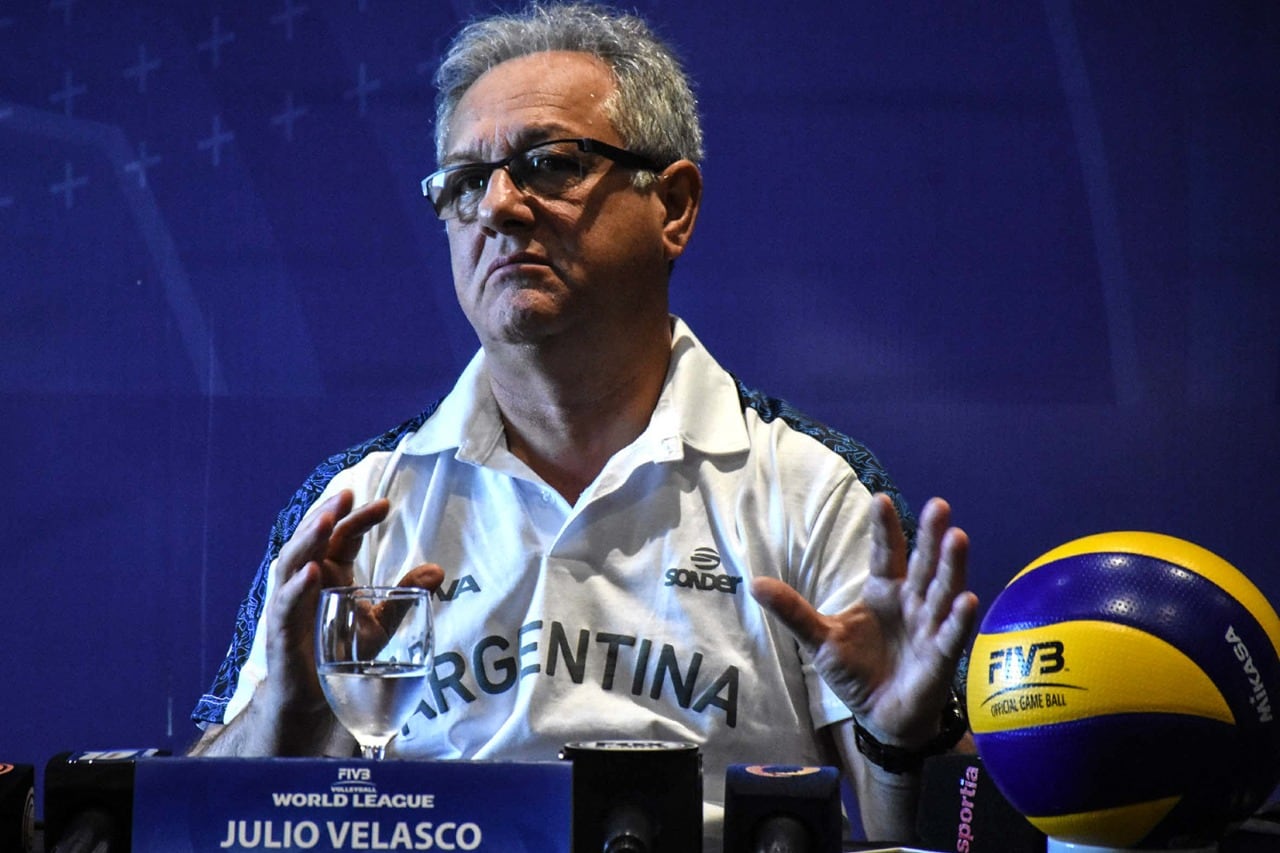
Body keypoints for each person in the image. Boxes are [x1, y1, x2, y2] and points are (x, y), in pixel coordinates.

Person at [188, 2, 979, 847]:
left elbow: (952, 839)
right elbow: (190, 823)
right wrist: (285, 715)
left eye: (550, 163)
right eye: (464, 181)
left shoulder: (815, 491)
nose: (498, 205)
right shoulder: (357, 505)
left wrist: (907, 740)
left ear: (673, 205)